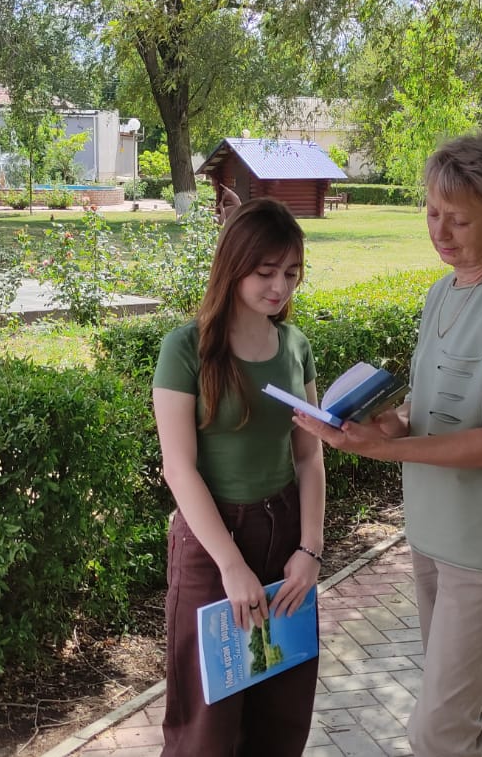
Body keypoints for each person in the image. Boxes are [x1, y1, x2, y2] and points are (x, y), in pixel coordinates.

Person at [294, 133, 482, 757]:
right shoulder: (442, 292)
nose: (440, 232)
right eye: (431, 213)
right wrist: (390, 423)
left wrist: (383, 451)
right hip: (434, 532)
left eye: (460, 219)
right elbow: (433, 399)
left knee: (439, 731)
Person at [152, 197, 326, 756]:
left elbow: (309, 456)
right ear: (234, 267)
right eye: (265, 272)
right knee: (208, 722)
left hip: (285, 534)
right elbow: (178, 468)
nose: (280, 287)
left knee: (282, 711)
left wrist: (310, 550)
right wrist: (230, 564)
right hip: (211, 544)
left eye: (291, 273)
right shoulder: (187, 348)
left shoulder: (295, 347)